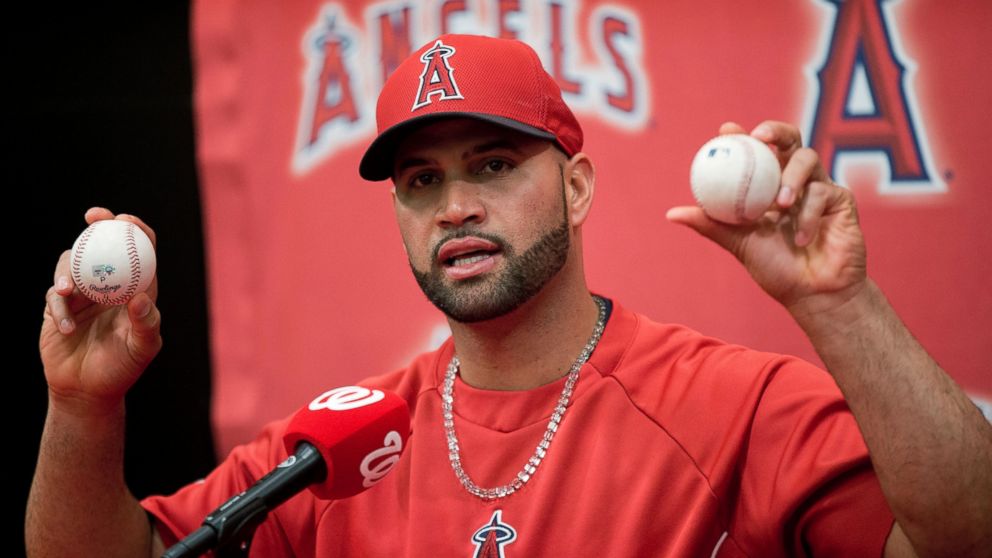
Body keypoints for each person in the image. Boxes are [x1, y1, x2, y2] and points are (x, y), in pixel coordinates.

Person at [27, 33, 990, 558]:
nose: (454, 206)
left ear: (576, 186)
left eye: (493, 163)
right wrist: (83, 404)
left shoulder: (738, 409)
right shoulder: (333, 448)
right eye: (420, 181)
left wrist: (840, 304)